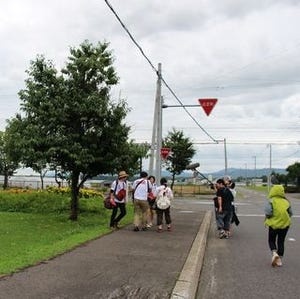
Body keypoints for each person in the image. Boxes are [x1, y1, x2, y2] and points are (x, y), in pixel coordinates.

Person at [264, 184, 292, 267]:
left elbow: (268, 213)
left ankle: (274, 253)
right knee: (281, 241)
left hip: (273, 224)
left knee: (271, 240)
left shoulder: (271, 201)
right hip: (285, 225)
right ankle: (279, 260)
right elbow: (290, 213)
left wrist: (269, 218)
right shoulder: (286, 201)